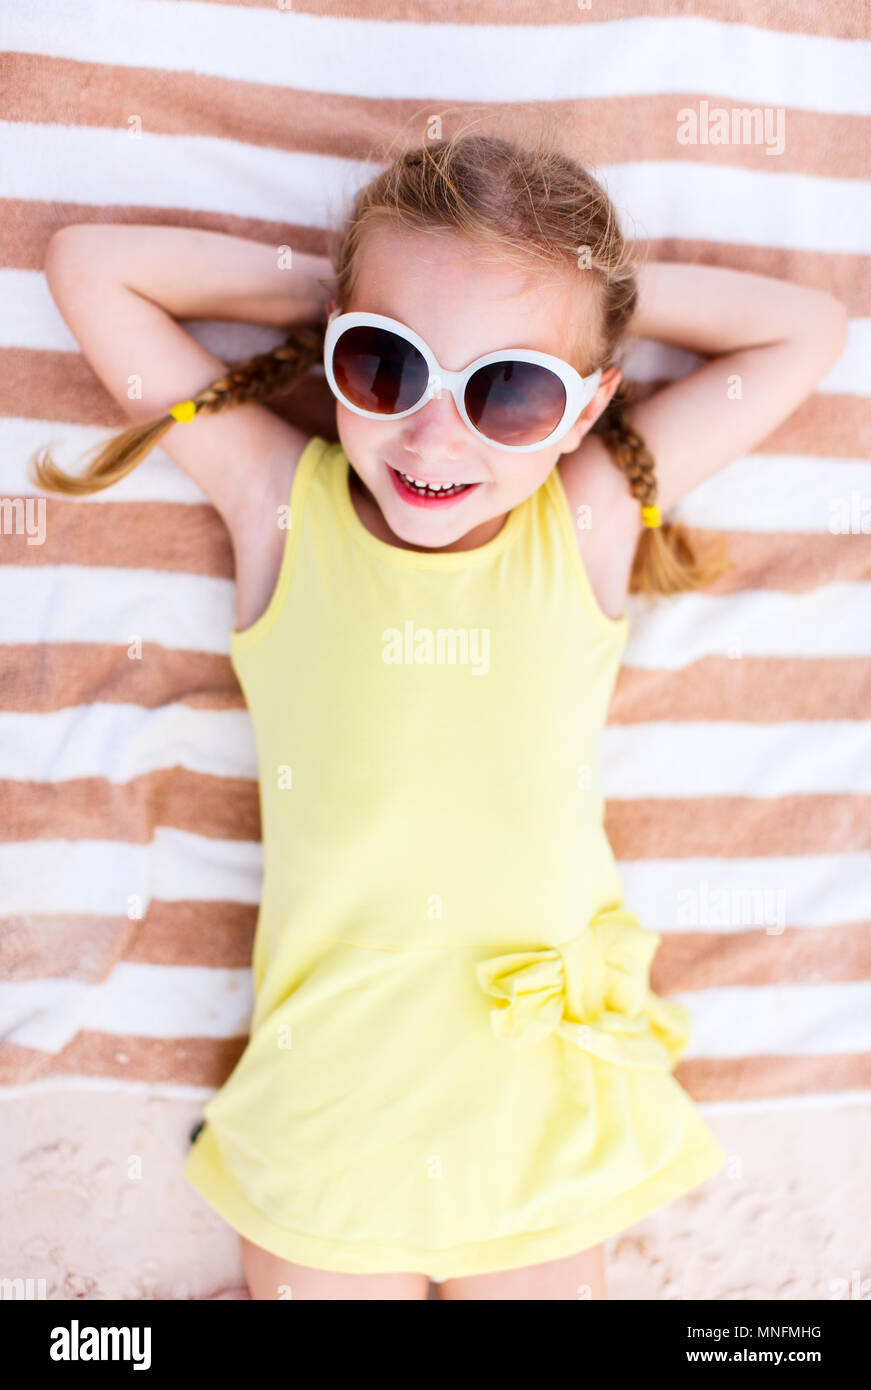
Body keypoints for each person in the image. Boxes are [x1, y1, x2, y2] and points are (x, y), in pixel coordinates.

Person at [33, 132, 848, 1301]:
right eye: (385, 365)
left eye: (510, 389)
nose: (432, 434)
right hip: (330, 1113)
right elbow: (89, 266)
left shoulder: (583, 520)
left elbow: (804, 331)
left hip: (540, 1108)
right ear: (333, 348)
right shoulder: (279, 505)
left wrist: (581, 289)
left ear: (585, 408)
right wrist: (351, 288)